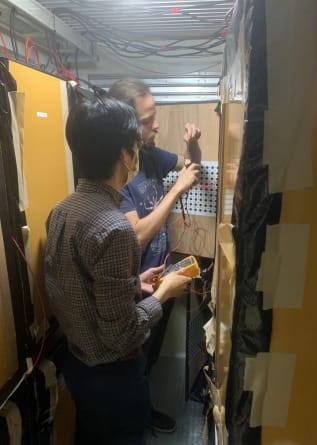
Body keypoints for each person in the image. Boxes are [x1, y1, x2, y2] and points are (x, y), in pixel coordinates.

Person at [44, 97, 192, 445]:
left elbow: (78, 286)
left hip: (78, 366)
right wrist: (163, 292)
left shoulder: (62, 210)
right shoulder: (115, 228)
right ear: (126, 155)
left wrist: (133, 283)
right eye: (135, 147)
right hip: (113, 379)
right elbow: (122, 336)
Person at [107, 79, 201, 433]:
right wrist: (175, 191)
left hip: (159, 280)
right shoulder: (121, 173)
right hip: (136, 290)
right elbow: (136, 234)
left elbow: (190, 167)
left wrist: (194, 145)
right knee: (134, 364)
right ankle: (135, 423)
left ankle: (143, 415)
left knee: (151, 358)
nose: (156, 125)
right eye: (148, 120)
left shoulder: (149, 156)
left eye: (155, 116)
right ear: (128, 125)